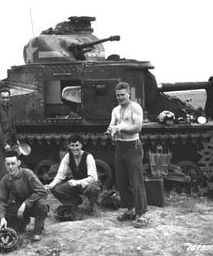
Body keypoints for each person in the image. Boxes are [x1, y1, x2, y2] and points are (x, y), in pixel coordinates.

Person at [107, 82, 148, 228]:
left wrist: (120, 128)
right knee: (122, 181)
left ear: (128, 94)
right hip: (119, 147)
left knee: (136, 181)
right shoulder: (116, 110)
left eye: (122, 95)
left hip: (132, 146)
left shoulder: (135, 108)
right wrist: (111, 132)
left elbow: (138, 127)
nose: (120, 98)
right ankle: (130, 210)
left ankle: (141, 214)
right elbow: (112, 125)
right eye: (118, 95)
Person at [0, 151, 48, 241]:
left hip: (33, 205)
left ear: (19, 163)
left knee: (42, 205)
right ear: (5, 165)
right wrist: (2, 218)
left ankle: (38, 230)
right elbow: (0, 200)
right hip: (19, 208)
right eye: (8, 164)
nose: (10, 167)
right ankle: (23, 222)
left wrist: (26, 204)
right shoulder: (5, 180)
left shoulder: (27, 174)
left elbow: (42, 191)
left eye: (13, 163)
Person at [45, 135, 101, 214]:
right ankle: (75, 202)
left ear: (81, 145)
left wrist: (77, 182)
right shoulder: (67, 157)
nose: (75, 148)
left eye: (77, 145)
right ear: (69, 146)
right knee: (56, 189)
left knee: (93, 189)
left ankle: (92, 206)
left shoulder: (88, 156)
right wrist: (51, 185)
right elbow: (60, 175)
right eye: (72, 146)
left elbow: (93, 178)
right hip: (76, 183)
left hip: (89, 184)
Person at [0, 87, 19, 185]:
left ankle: (11, 191)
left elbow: (13, 126)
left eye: (7, 98)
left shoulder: (10, 109)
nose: (5, 100)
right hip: (2, 143)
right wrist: (4, 144)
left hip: (10, 140)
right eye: (3, 98)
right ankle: (2, 192)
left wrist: (16, 140)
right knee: (3, 169)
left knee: (13, 167)